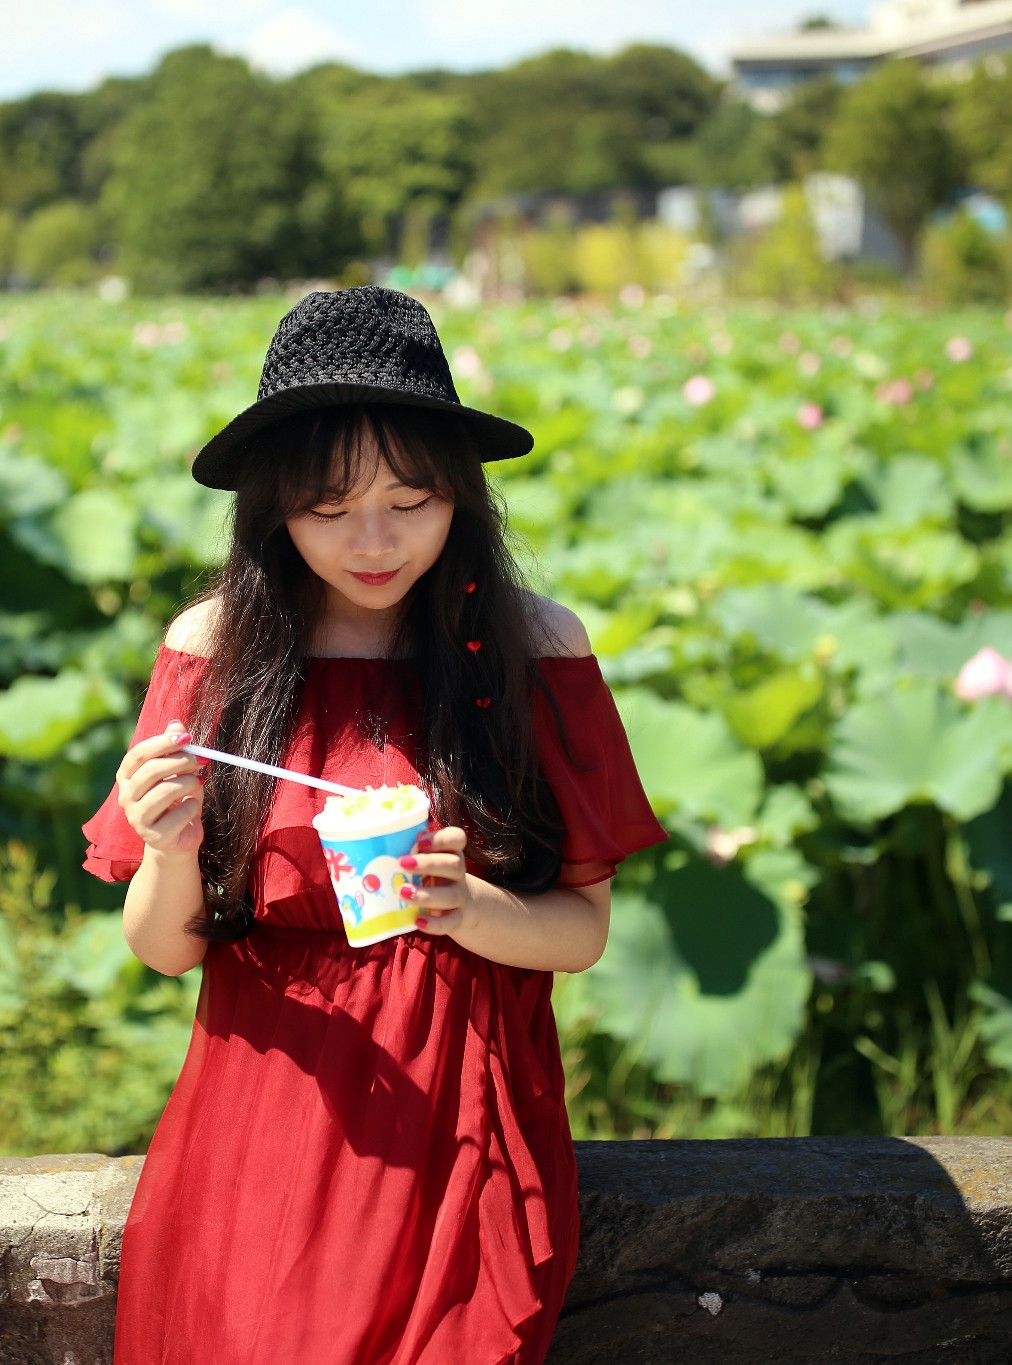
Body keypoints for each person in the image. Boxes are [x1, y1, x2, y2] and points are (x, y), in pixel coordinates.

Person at [80, 284, 669, 1364]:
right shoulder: (216, 649)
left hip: (462, 1121)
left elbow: (580, 931)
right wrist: (167, 847)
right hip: (262, 1117)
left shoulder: (535, 647)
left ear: (461, 497)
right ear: (271, 508)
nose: (372, 540)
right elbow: (163, 950)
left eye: (410, 500)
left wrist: (465, 907)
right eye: (327, 506)